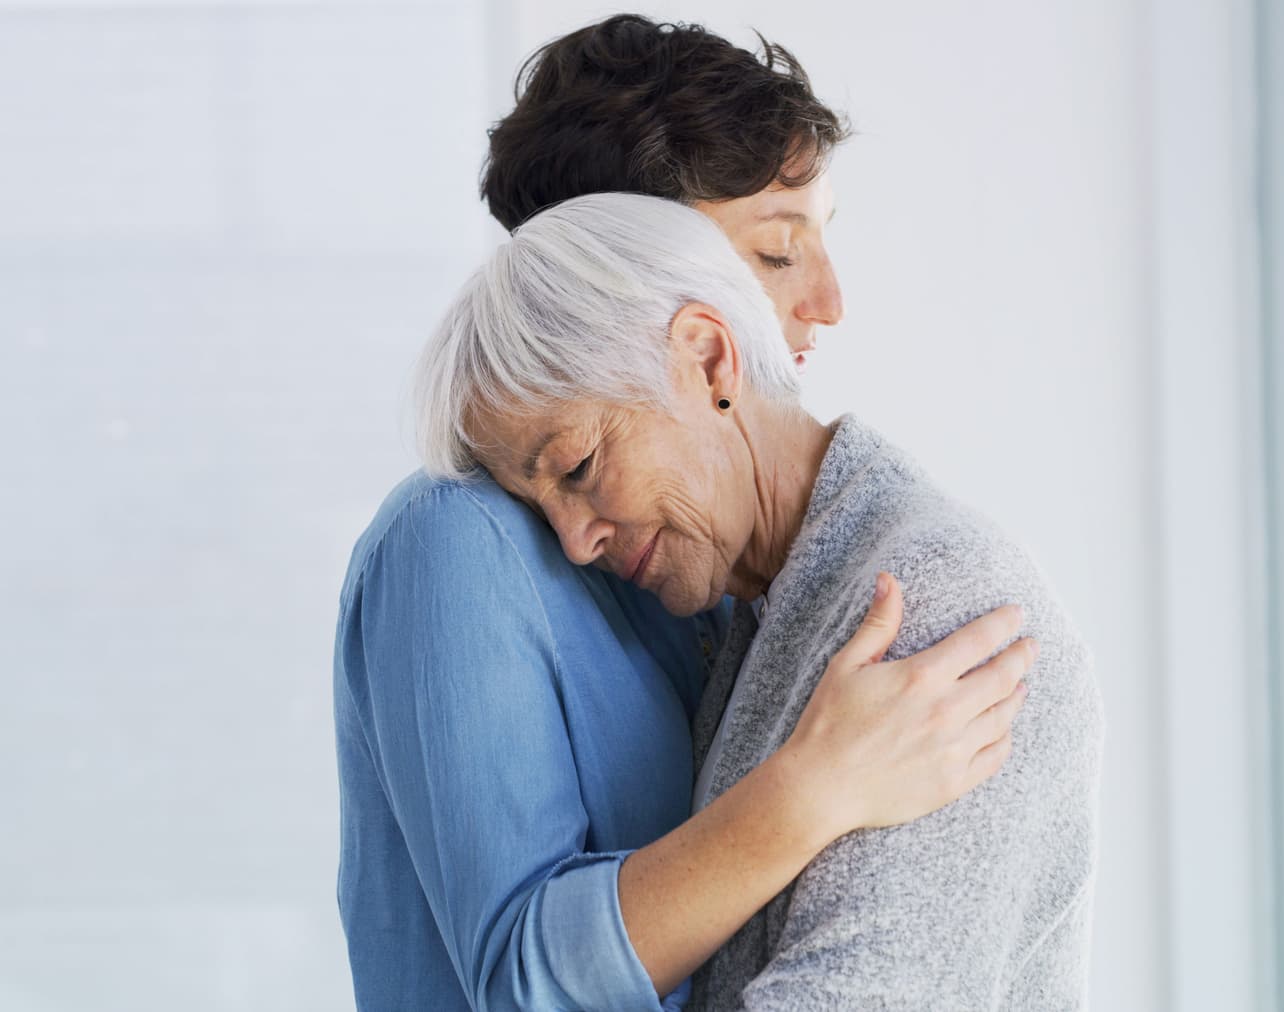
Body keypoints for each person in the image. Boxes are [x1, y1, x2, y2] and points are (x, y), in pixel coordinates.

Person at [334, 16, 1033, 1009]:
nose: (825, 302)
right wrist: (809, 790)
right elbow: (520, 980)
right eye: (777, 252)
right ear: (627, 263)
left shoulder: (725, 570)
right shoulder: (456, 542)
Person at [413, 191, 1103, 1010]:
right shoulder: (756, 616)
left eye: (579, 469)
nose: (572, 543)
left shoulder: (932, 609)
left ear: (709, 361)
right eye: (540, 510)